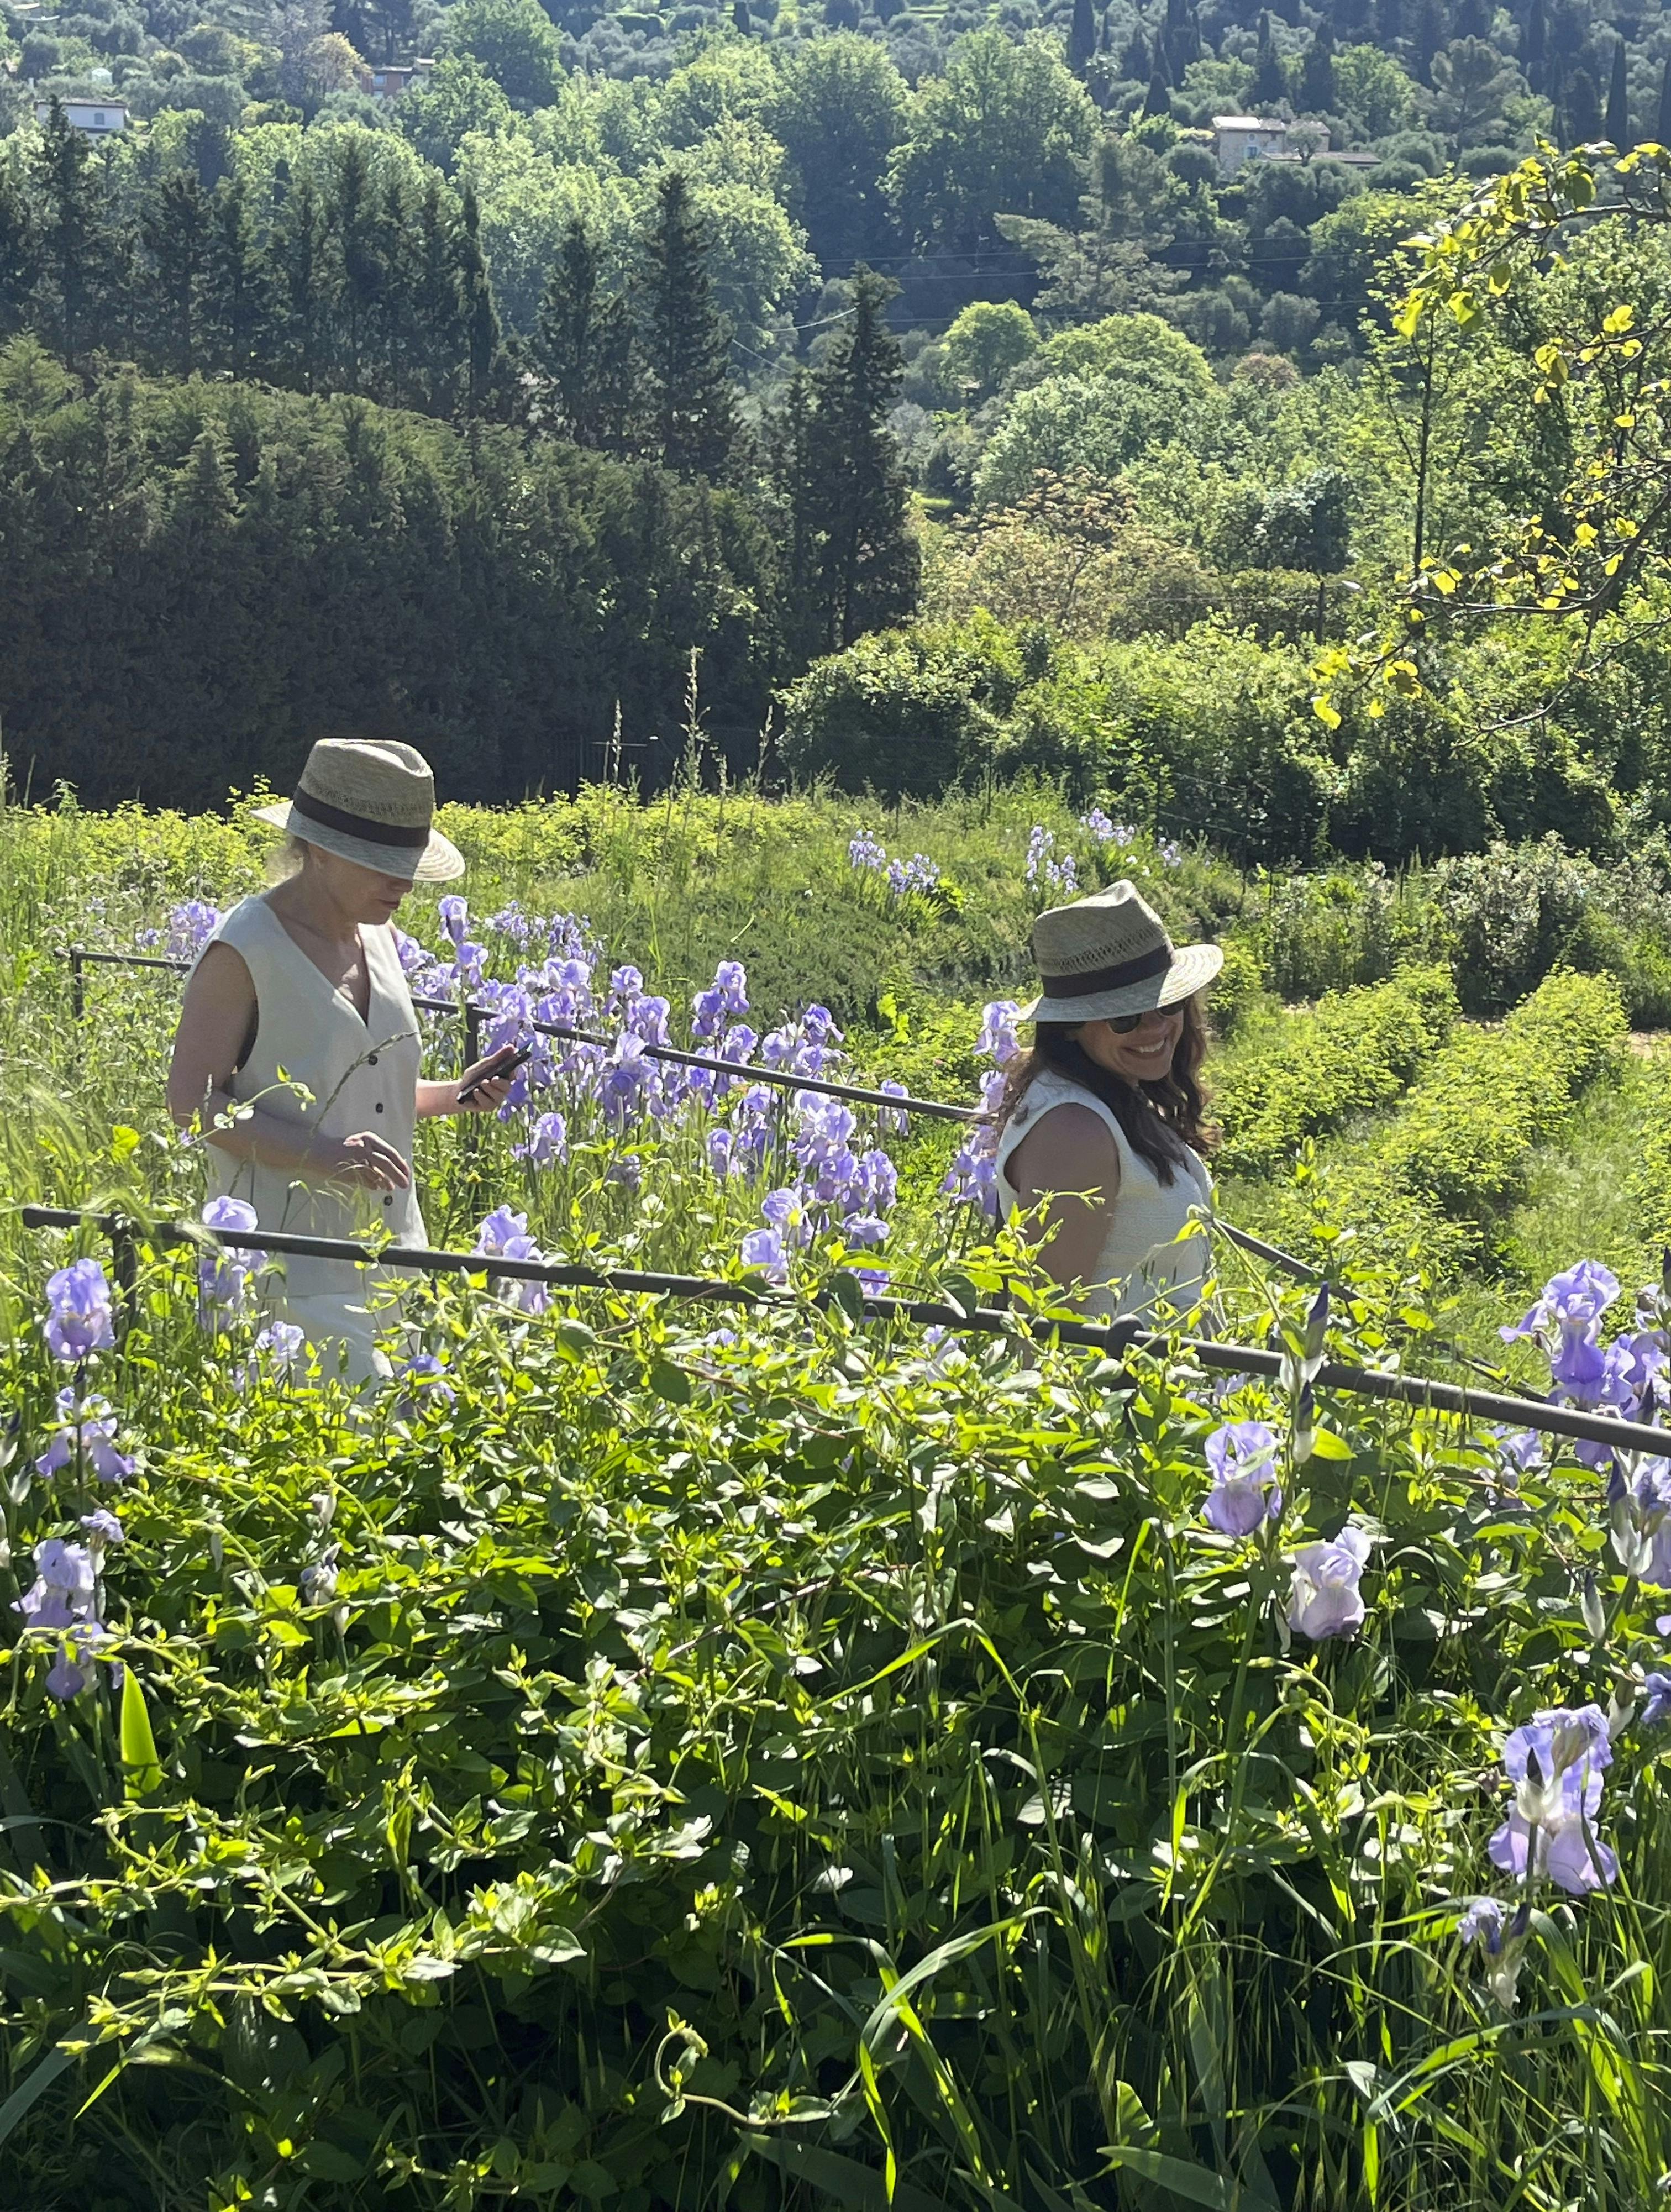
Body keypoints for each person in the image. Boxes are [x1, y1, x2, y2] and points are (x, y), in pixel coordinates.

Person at [166, 737, 520, 1380]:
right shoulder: (244, 950)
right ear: (321, 849)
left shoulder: (378, 937)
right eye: (383, 863)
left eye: (408, 863)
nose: (403, 883)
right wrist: (323, 1156)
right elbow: (192, 1104)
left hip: (398, 1261)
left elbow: (362, 1091)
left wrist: (452, 1094)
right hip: (290, 1274)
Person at [993, 879, 1221, 1321]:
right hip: (1124, 1369)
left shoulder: (1113, 1095)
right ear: (1071, 1026)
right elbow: (1046, 1326)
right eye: (1125, 1016)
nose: (1155, 1027)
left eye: (1168, 1003)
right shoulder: (1073, 1134)